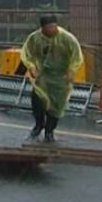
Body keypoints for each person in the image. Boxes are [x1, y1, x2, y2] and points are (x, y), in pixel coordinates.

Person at [20, 14, 84, 143]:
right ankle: (38, 126)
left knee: (56, 108)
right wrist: (31, 66)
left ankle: (49, 131)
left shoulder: (67, 38)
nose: (51, 29)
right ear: (42, 28)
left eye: (53, 26)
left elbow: (76, 56)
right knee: (37, 102)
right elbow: (27, 53)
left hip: (60, 78)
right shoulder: (35, 38)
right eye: (48, 27)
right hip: (42, 76)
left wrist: (72, 70)